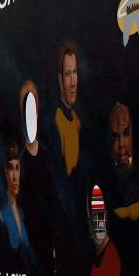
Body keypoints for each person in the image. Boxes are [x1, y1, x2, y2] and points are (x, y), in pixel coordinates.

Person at [0, 140, 34, 263]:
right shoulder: (1, 213)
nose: (15, 176)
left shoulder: (22, 212)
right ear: (4, 172)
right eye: (10, 169)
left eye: (17, 168)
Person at [54, 43, 81, 176]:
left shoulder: (77, 121)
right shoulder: (56, 122)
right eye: (68, 74)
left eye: (75, 73)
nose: (73, 83)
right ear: (60, 80)